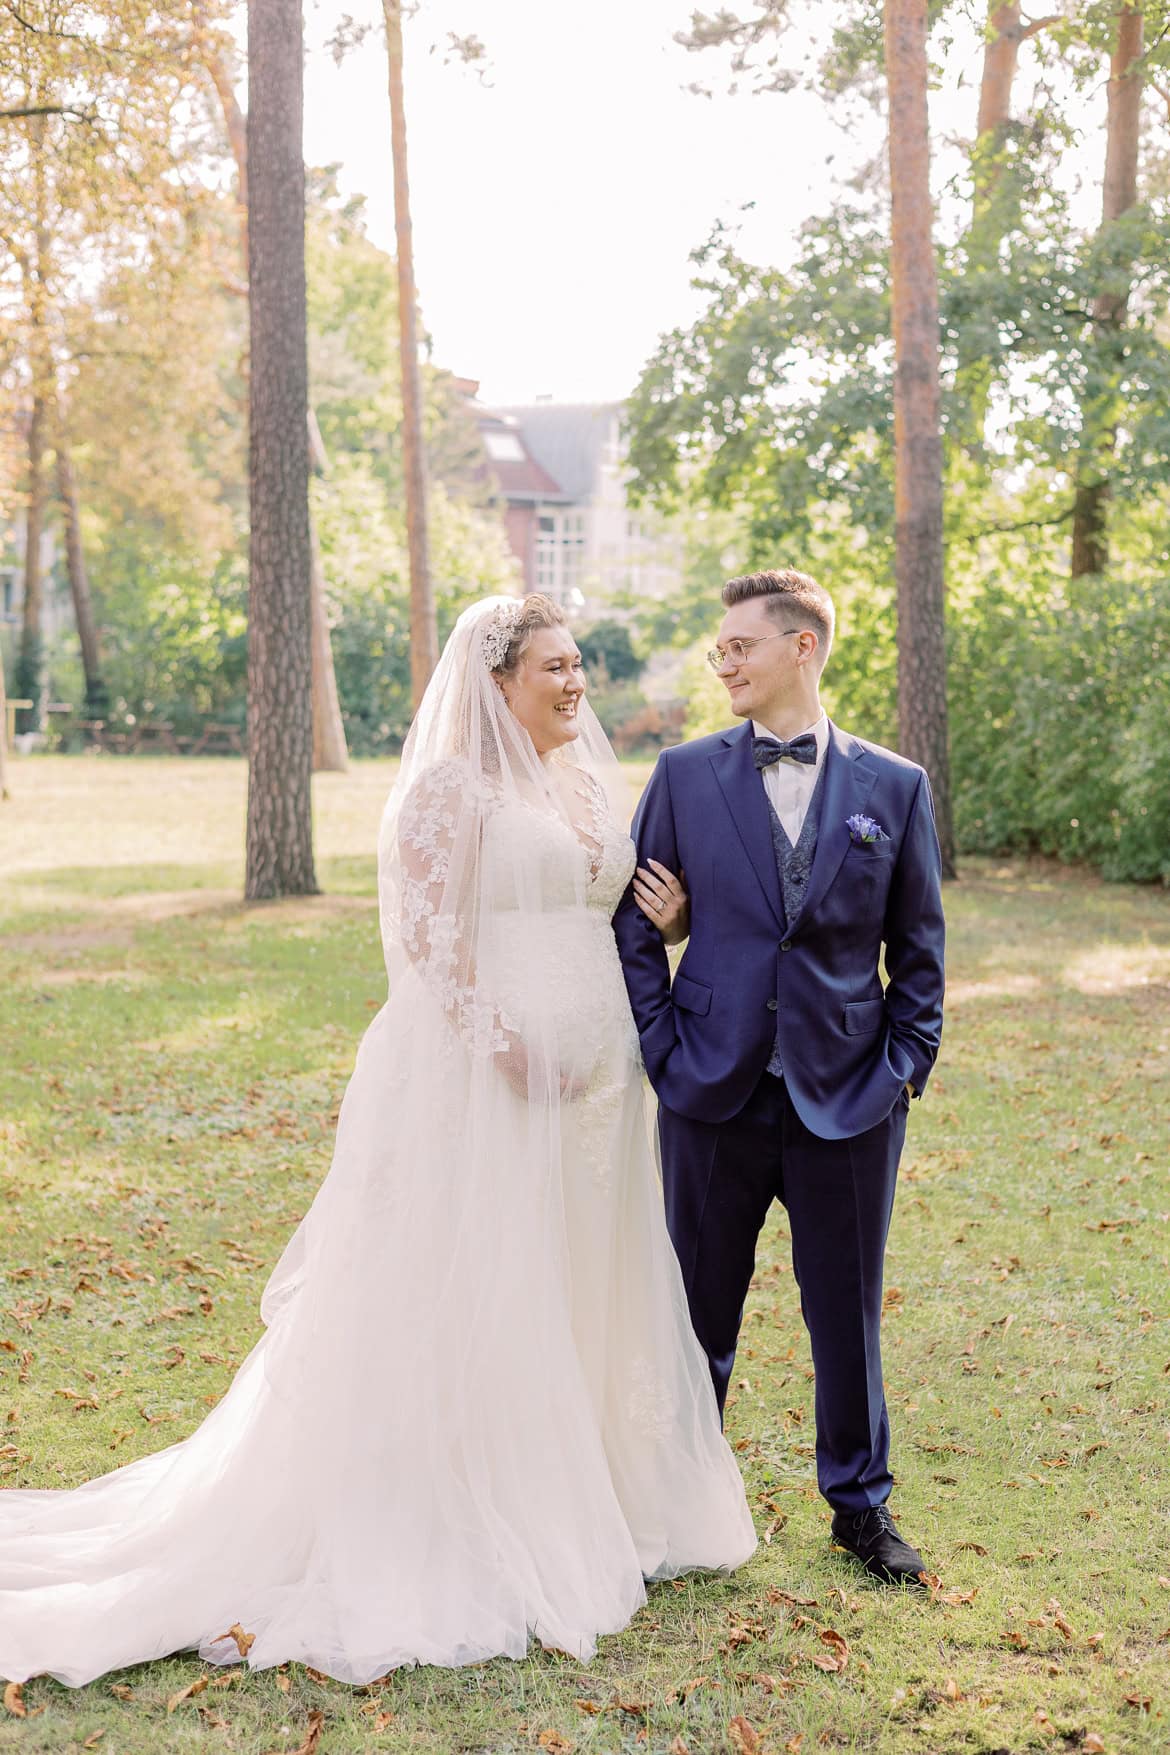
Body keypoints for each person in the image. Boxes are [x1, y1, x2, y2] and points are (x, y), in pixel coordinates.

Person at [0, 595, 755, 1690]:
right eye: (552, 666)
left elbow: (612, 907)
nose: (573, 682)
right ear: (496, 682)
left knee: (582, 1278)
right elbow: (426, 937)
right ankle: (466, 1497)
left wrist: (672, 923)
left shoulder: (591, 782)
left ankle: (596, 1486)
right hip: (488, 1083)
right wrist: (503, 1045)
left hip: (604, 1091)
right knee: (493, 1281)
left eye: (578, 663)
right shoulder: (454, 790)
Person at [614, 568, 945, 1586]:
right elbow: (634, 927)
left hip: (848, 1096)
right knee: (695, 1314)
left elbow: (919, 952)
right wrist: (665, 1047)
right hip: (710, 1090)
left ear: (802, 647)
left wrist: (900, 1070)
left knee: (844, 1315)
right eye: (718, 649)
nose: (723, 662)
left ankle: (860, 1509)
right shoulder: (680, 774)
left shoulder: (895, 788)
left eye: (739, 647)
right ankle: (677, 1508)